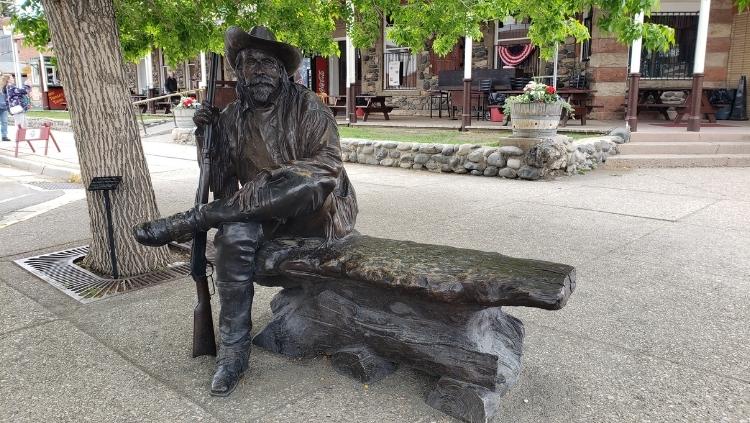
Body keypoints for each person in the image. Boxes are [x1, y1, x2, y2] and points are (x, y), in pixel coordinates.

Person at [133, 26, 358, 397]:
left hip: (317, 214)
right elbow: (222, 188)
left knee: (303, 179)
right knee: (235, 231)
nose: (259, 70)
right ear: (239, 72)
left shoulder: (307, 106)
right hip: (261, 217)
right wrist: (208, 141)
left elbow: (327, 169)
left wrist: (276, 181)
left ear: (282, 70)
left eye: (268, 62)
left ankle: (190, 220)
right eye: (249, 63)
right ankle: (234, 352)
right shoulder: (232, 118)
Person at [0, 74, 11, 141]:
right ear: (7, 79)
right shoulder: (1, 87)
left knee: (4, 122)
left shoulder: (9, 87)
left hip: (4, 108)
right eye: (11, 78)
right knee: (4, 122)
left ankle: (4, 136)